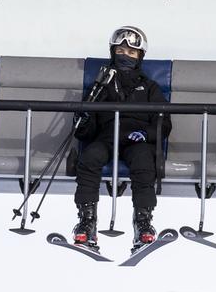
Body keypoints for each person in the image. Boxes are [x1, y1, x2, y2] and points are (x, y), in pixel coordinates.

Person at [71, 26, 172, 255]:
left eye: (132, 52)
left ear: (140, 57)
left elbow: (164, 123)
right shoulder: (102, 84)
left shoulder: (149, 87)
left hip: (137, 139)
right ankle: (87, 222)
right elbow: (83, 132)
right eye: (121, 50)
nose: (125, 55)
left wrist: (146, 134)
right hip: (107, 136)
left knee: (144, 162)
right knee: (90, 157)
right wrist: (84, 117)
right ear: (113, 51)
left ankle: (143, 222)